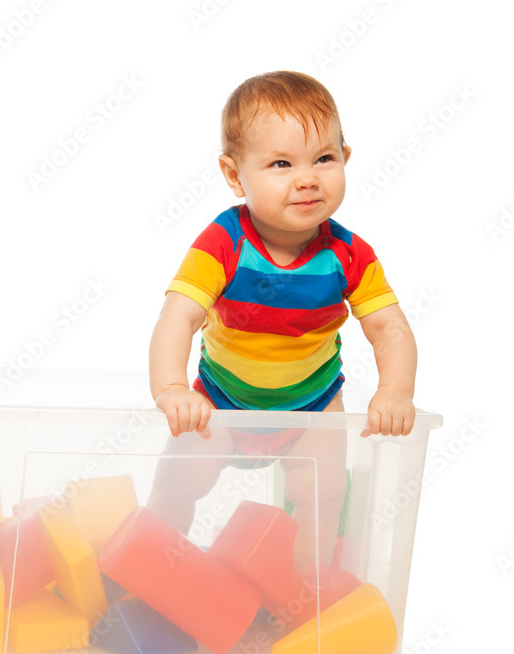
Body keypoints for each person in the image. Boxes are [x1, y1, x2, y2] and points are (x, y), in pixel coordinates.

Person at [145, 71, 417, 572]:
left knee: (326, 492)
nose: (307, 177)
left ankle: (307, 593)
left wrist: (395, 391)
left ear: (346, 159)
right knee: (179, 479)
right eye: (280, 163)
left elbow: (390, 328)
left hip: (311, 405)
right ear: (234, 175)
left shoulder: (350, 254)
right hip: (221, 401)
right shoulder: (223, 242)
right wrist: (170, 389)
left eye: (324, 158)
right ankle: (148, 572)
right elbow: (178, 317)